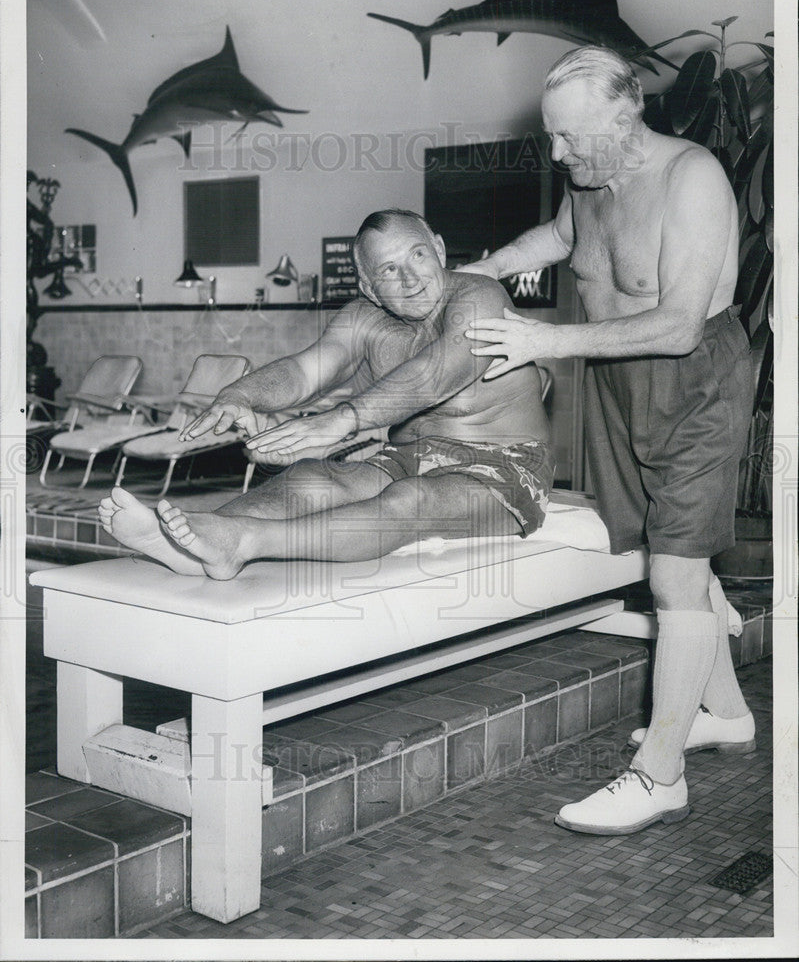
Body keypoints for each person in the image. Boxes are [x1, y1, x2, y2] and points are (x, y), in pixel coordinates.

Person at [458, 45, 756, 836]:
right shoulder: (591, 174)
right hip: (616, 378)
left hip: (694, 380)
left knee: (674, 573)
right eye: (553, 137)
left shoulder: (690, 177)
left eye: (570, 138)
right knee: (669, 554)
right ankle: (724, 713)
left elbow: (678, 322)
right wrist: (488, 267)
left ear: (625, 119)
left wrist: (542, 341)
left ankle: (659, 777)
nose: (557, 154)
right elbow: (556, 240)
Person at [99, 209, 554, 581]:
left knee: (412, 498)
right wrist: (240, 394)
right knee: (312, 478)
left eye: (418, 255)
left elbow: (437, 374)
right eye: (389, 271)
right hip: (408, 456)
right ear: (368, 287)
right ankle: (197, 545)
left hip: (503, 465)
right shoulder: (364, 318)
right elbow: (305, 369)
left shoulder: (481, 296)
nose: (411, 278)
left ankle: (245, 543)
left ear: (438, 247)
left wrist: (344, 418)